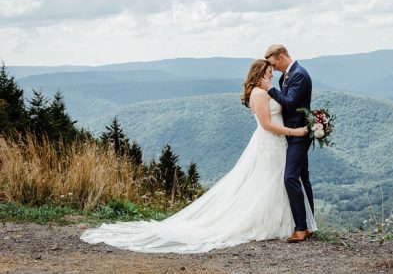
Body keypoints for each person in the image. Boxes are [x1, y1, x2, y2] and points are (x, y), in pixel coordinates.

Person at [80, 59, 316, 254]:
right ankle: (266, 222)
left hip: (277, 145)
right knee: (265, 183)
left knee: (274, 183)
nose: (271, 77)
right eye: (267, 73)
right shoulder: (259, 94)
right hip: (270, 142)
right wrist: (294, 131)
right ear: (258, 74)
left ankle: (286, 223)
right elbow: (266, 125)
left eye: (272, 74)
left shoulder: (265, 91)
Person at [261, 44, 314, 243]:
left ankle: (300, 228)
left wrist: (270, 89)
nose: (273, 69)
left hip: (298, 133)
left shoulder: (299, 74)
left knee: (290, 177)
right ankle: (309, 224)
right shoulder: (288, 75)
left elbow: (290, 103)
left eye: (274, 64)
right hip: (291, 132)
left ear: (282, 56)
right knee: (302, 177)